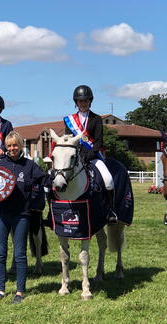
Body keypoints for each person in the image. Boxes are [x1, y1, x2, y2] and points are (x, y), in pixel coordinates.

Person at [0, 131, 50, 304]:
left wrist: (55, 180)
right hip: (0, 214)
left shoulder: (30, 166)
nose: (12, 148)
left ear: (20, 145)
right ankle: (0, 290)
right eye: (9, 146)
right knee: (0, 254)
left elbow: (44, 180)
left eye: (15, 145)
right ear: (6, 147)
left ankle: (19, 292)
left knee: (20, 255)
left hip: (22, 215)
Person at [64, 85, 117, 223]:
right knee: (58, 176)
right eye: (81, 101)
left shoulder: (96, 119)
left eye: (86, 100)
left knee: (108, 179)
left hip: (93, 156)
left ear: (90, 101)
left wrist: (89, 155)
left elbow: (99, 141)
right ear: (76, 102)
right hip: (74, 158)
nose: (83, 103)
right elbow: (68, 141)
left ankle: (110, 211)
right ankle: (55, 208)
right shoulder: (70, 121)